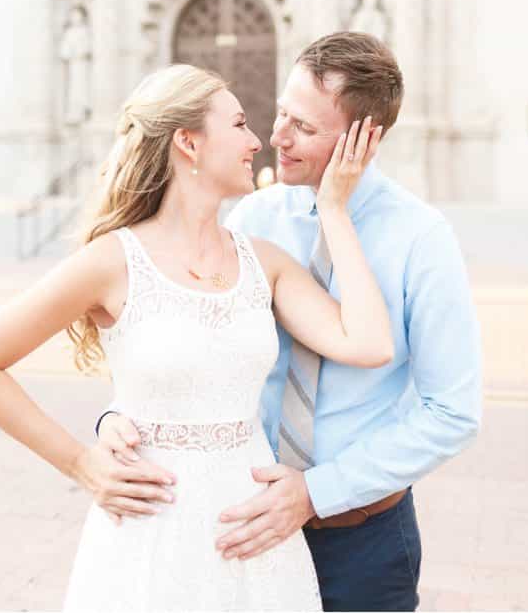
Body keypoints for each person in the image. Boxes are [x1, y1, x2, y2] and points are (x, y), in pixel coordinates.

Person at [0, 64, 393, 611]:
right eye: (238, 125)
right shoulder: (110, 263)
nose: (258, 141)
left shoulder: (265, 263)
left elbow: (371, 344)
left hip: (253, 534)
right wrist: (81, 464)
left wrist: (334, 210)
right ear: (189, 142)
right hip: (149, 538)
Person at [97, 32, 483, 611]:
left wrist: (315, 493)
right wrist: (119, 417)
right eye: (280, 113)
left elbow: (452, 412)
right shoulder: (254, 216)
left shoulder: (421, 240)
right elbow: (190, 347)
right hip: (241, 524)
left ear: (364, 137)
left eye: (302, 126)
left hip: (363, 542)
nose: (275, 137)